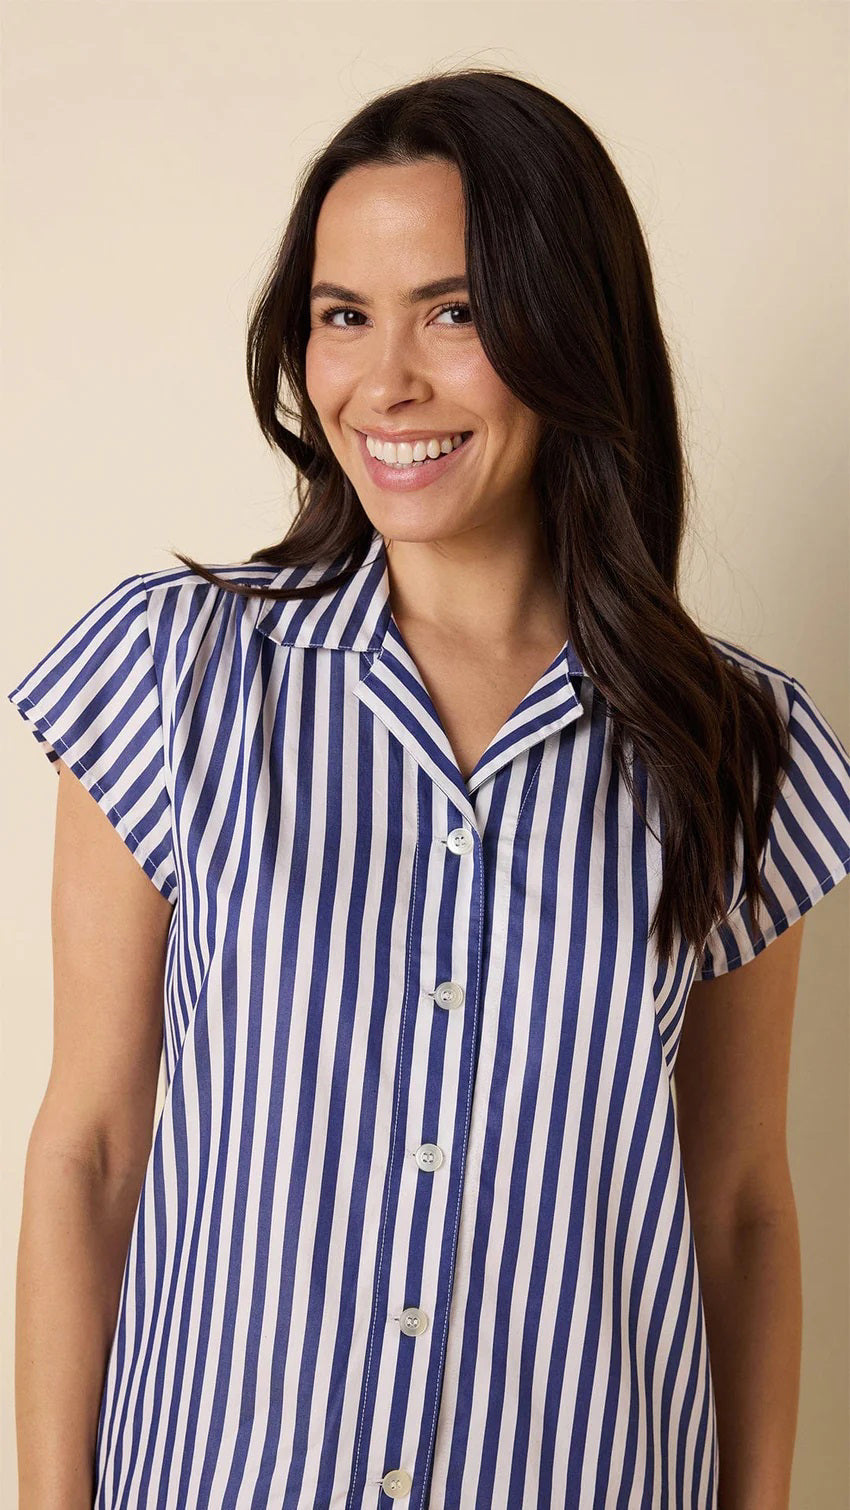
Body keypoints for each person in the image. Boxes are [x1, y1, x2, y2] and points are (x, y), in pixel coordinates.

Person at [9, 68, 850, 1510]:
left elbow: (738, 1210)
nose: (383, 381)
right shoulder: (175, 675)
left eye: (452, 313)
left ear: (567, 329)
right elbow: (90, 1149)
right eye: (344, 315)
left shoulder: (734, 742)